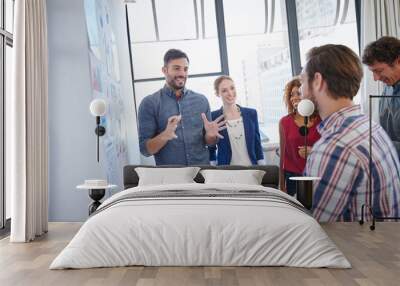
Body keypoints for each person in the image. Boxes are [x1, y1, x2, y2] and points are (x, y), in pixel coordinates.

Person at [300, 44, 400, 222]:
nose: (300, 91)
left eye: (302, 81)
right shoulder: (370, 127)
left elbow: (312, 228)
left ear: (317, 80)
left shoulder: (334, 148)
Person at [138, 49, 225, 165]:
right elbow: (145, 150)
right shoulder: (149, 103)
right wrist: (165, 135)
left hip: (201, 175)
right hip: (171, 179)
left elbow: (209, 142)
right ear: (164, 70)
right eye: (176, 68)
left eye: (185, 69)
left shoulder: (201, 101)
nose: (182, 74)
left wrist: (210, 136)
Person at [208, 75, 264, 165]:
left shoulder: (251, 114)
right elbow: (211, 147)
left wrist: (262, 165)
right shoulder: (213, 117)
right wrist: (213, 167)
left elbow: (257, 143)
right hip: (227, 172)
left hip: (252, 170)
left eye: (232, 88)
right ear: (218, 94)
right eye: (224, 90)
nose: (230, 93)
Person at [279, 77, 321, 196]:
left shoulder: (321, 119)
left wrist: (314, 151)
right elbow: (282, 157)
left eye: (299, 93)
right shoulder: (284, 122)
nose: (294, 97)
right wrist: (281, 185)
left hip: (316, 174)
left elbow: (330, 149)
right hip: (292, 176)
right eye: (291, 94)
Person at [362, 36, 400, 159]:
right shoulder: (387, 88)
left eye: (379, 71)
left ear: (398, 61)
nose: (376, 78)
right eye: (373, 72)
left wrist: (376, 145)